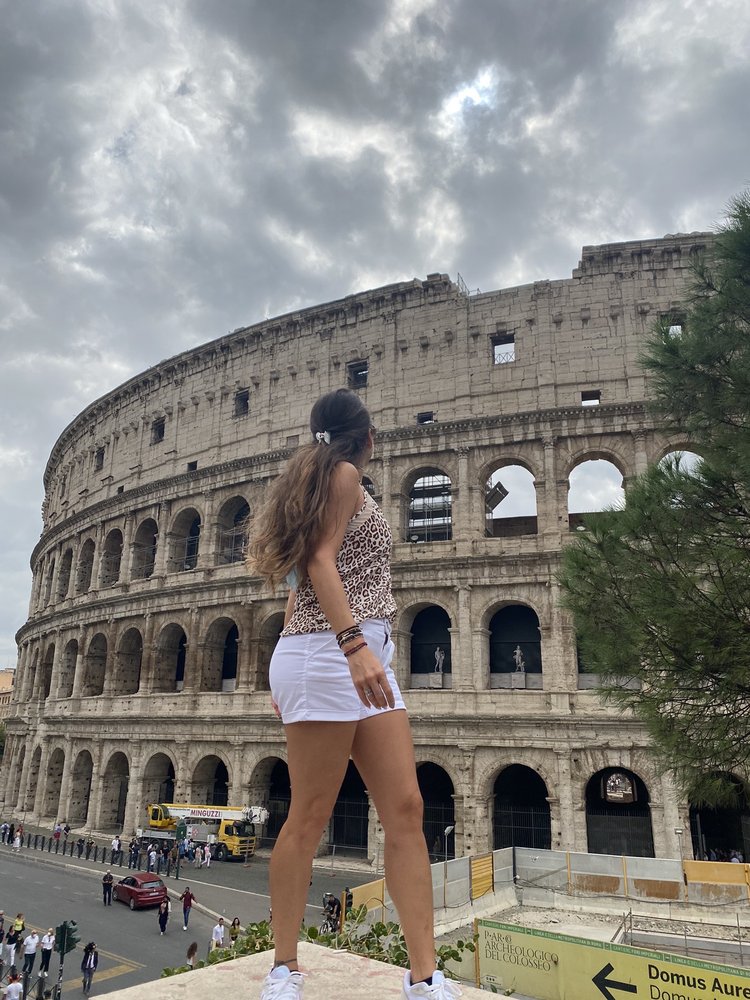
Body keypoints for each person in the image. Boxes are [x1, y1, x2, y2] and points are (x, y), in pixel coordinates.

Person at [247, 389, 459, 1000]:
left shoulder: (324, 482)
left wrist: (298, 657)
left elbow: (297, 583)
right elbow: (318, 562)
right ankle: (283, 968)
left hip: (346, 652)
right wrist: (350, 646)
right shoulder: (342, 476)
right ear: (368, 438)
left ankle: (425, 976)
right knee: (310, 816)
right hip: (335, 653)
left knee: (406, 808)